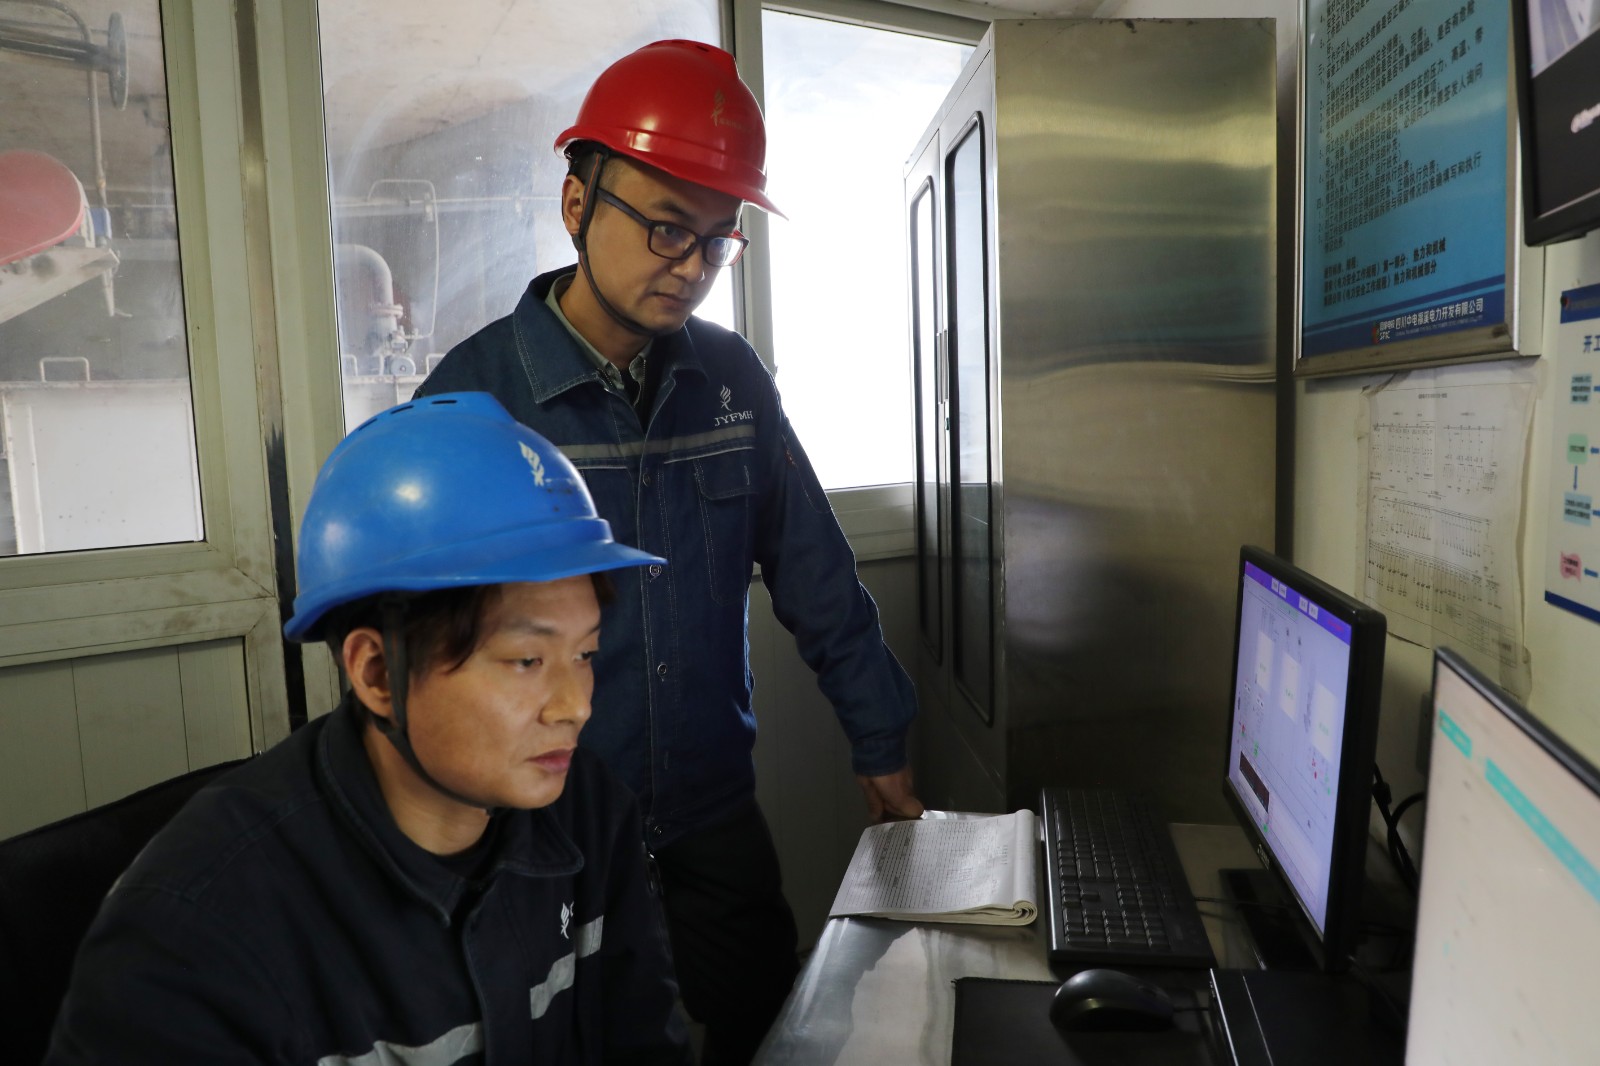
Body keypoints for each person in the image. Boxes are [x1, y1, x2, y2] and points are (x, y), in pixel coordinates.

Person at [416, 39, 923, 1064]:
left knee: (770, 1028)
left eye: (716, 239)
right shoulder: (475, 404)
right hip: (543, 830)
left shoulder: (730, 383)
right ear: (577, 204)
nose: (691, 266)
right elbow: (424, 652)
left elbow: (817, 572)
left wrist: (881, 740)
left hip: (708, 807)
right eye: (664, 227)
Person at [45, 393, 691, 1065]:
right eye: (526, 661)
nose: (575, 707)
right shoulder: (196, 930)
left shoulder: (587, 814)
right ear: (378, 674)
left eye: (585, 654)